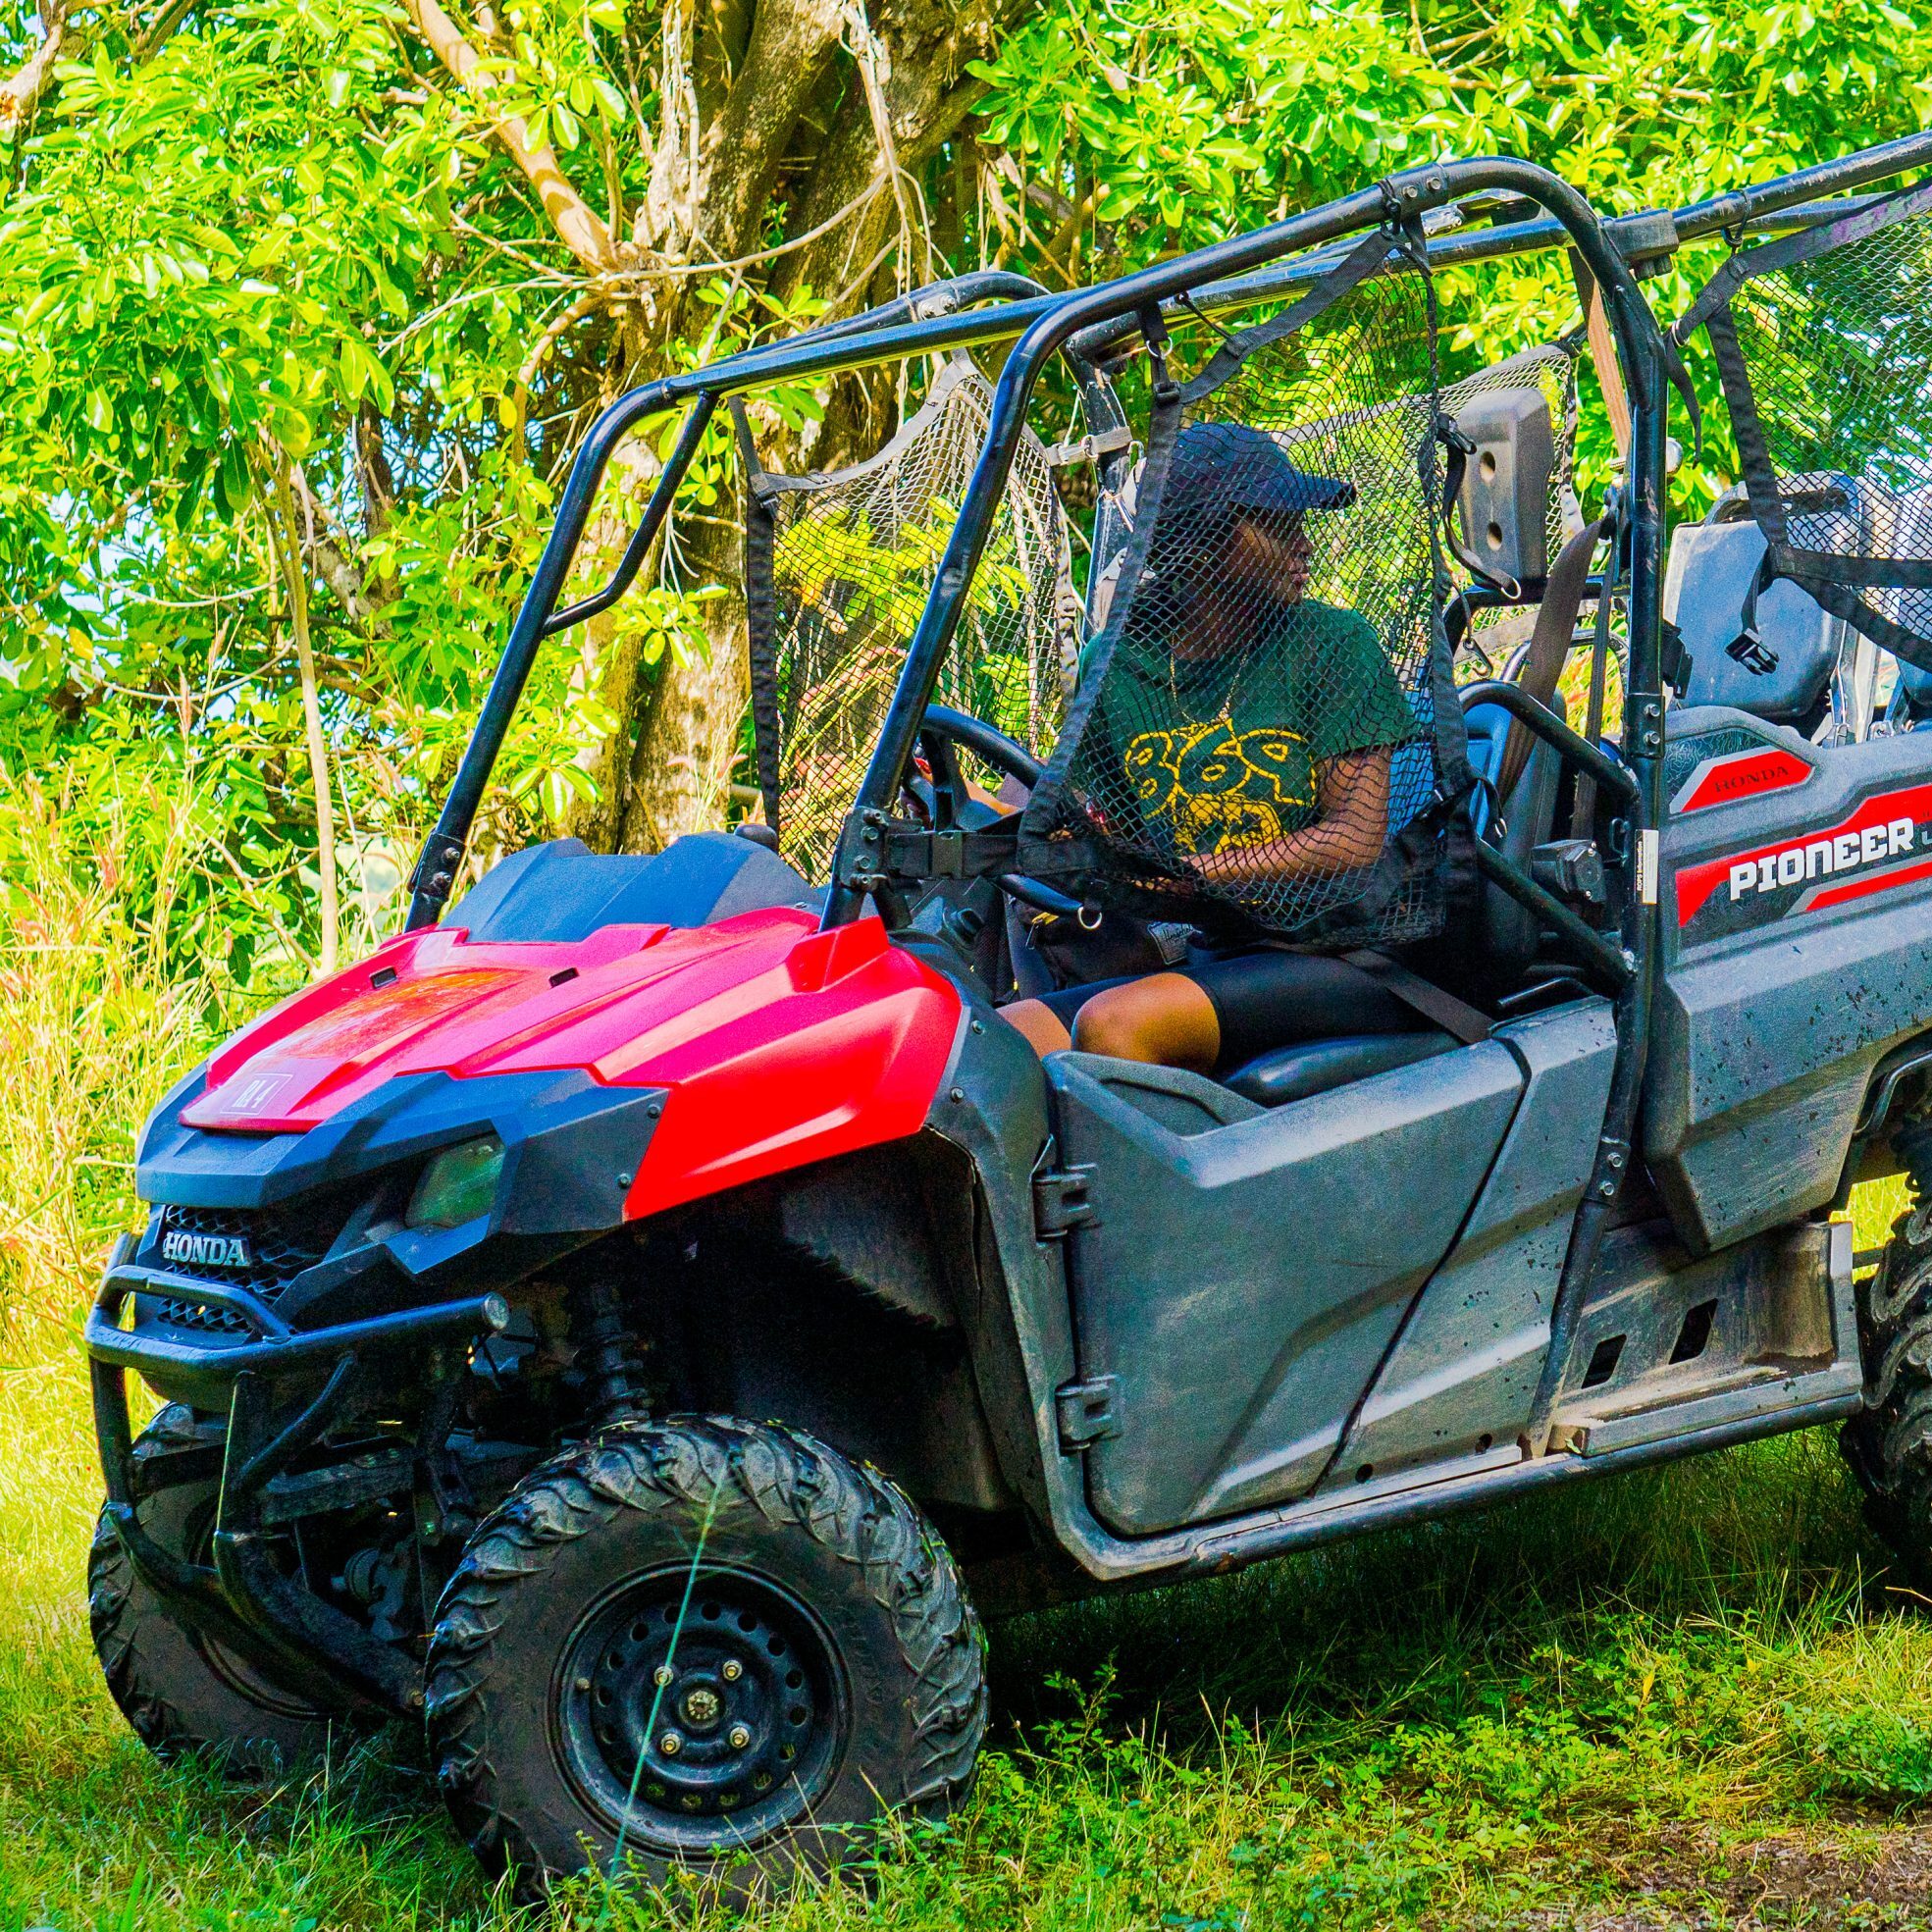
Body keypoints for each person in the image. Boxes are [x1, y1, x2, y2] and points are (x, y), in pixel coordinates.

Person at [1001, 421, 1429, 1075]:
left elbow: (1354, 839)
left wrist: (1199, 870)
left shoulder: (1332, 643)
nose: (1304, 544)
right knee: (1003, 1041)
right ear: (1202, 545)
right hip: (1206, 947)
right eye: (1276, 525)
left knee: (1112, 1025)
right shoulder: (1115, 666)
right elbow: (1085, 809)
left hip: (1337, 953)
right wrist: (999, 818)